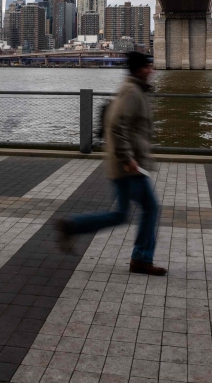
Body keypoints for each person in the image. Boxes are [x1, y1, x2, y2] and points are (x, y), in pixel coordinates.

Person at [56, 51, 166, 276]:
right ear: (138, 69)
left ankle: (72, 226)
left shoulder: (136, 91)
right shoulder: (131, 92)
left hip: (127, 165)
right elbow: (116, 126)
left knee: (120, 214)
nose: (151, 70)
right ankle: (141, 259)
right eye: (147, 66)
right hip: (128, 167)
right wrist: (128, 159)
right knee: (150, 208)